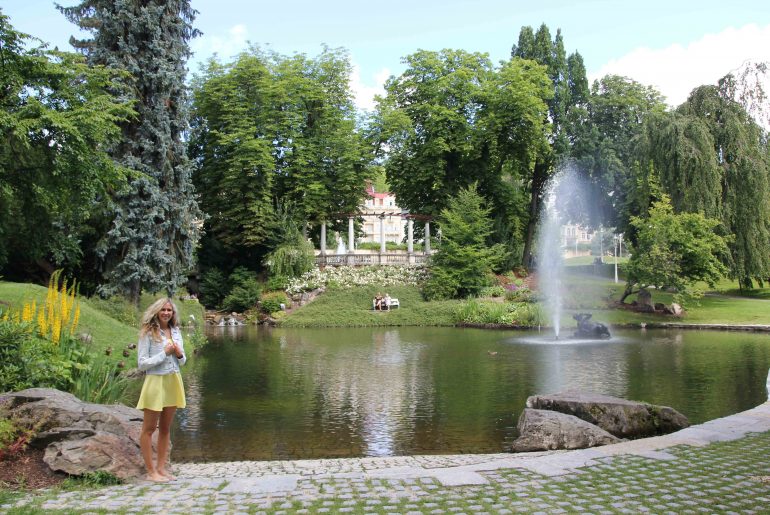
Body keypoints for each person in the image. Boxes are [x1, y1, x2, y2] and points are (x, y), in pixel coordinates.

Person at [136, 297, 187, 482]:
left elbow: (182, 361)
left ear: (173, 313)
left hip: (173, 380)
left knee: (165, 428)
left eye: (169, 310)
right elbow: (142, 364)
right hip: (155, 382)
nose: (166, 313)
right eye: (163, 309)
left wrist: (179, 354)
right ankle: (151, 472)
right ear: (157, 311)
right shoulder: (148, 332)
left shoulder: (176, 331)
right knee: (149, 429)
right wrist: (164, 353)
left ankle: (161, 468)